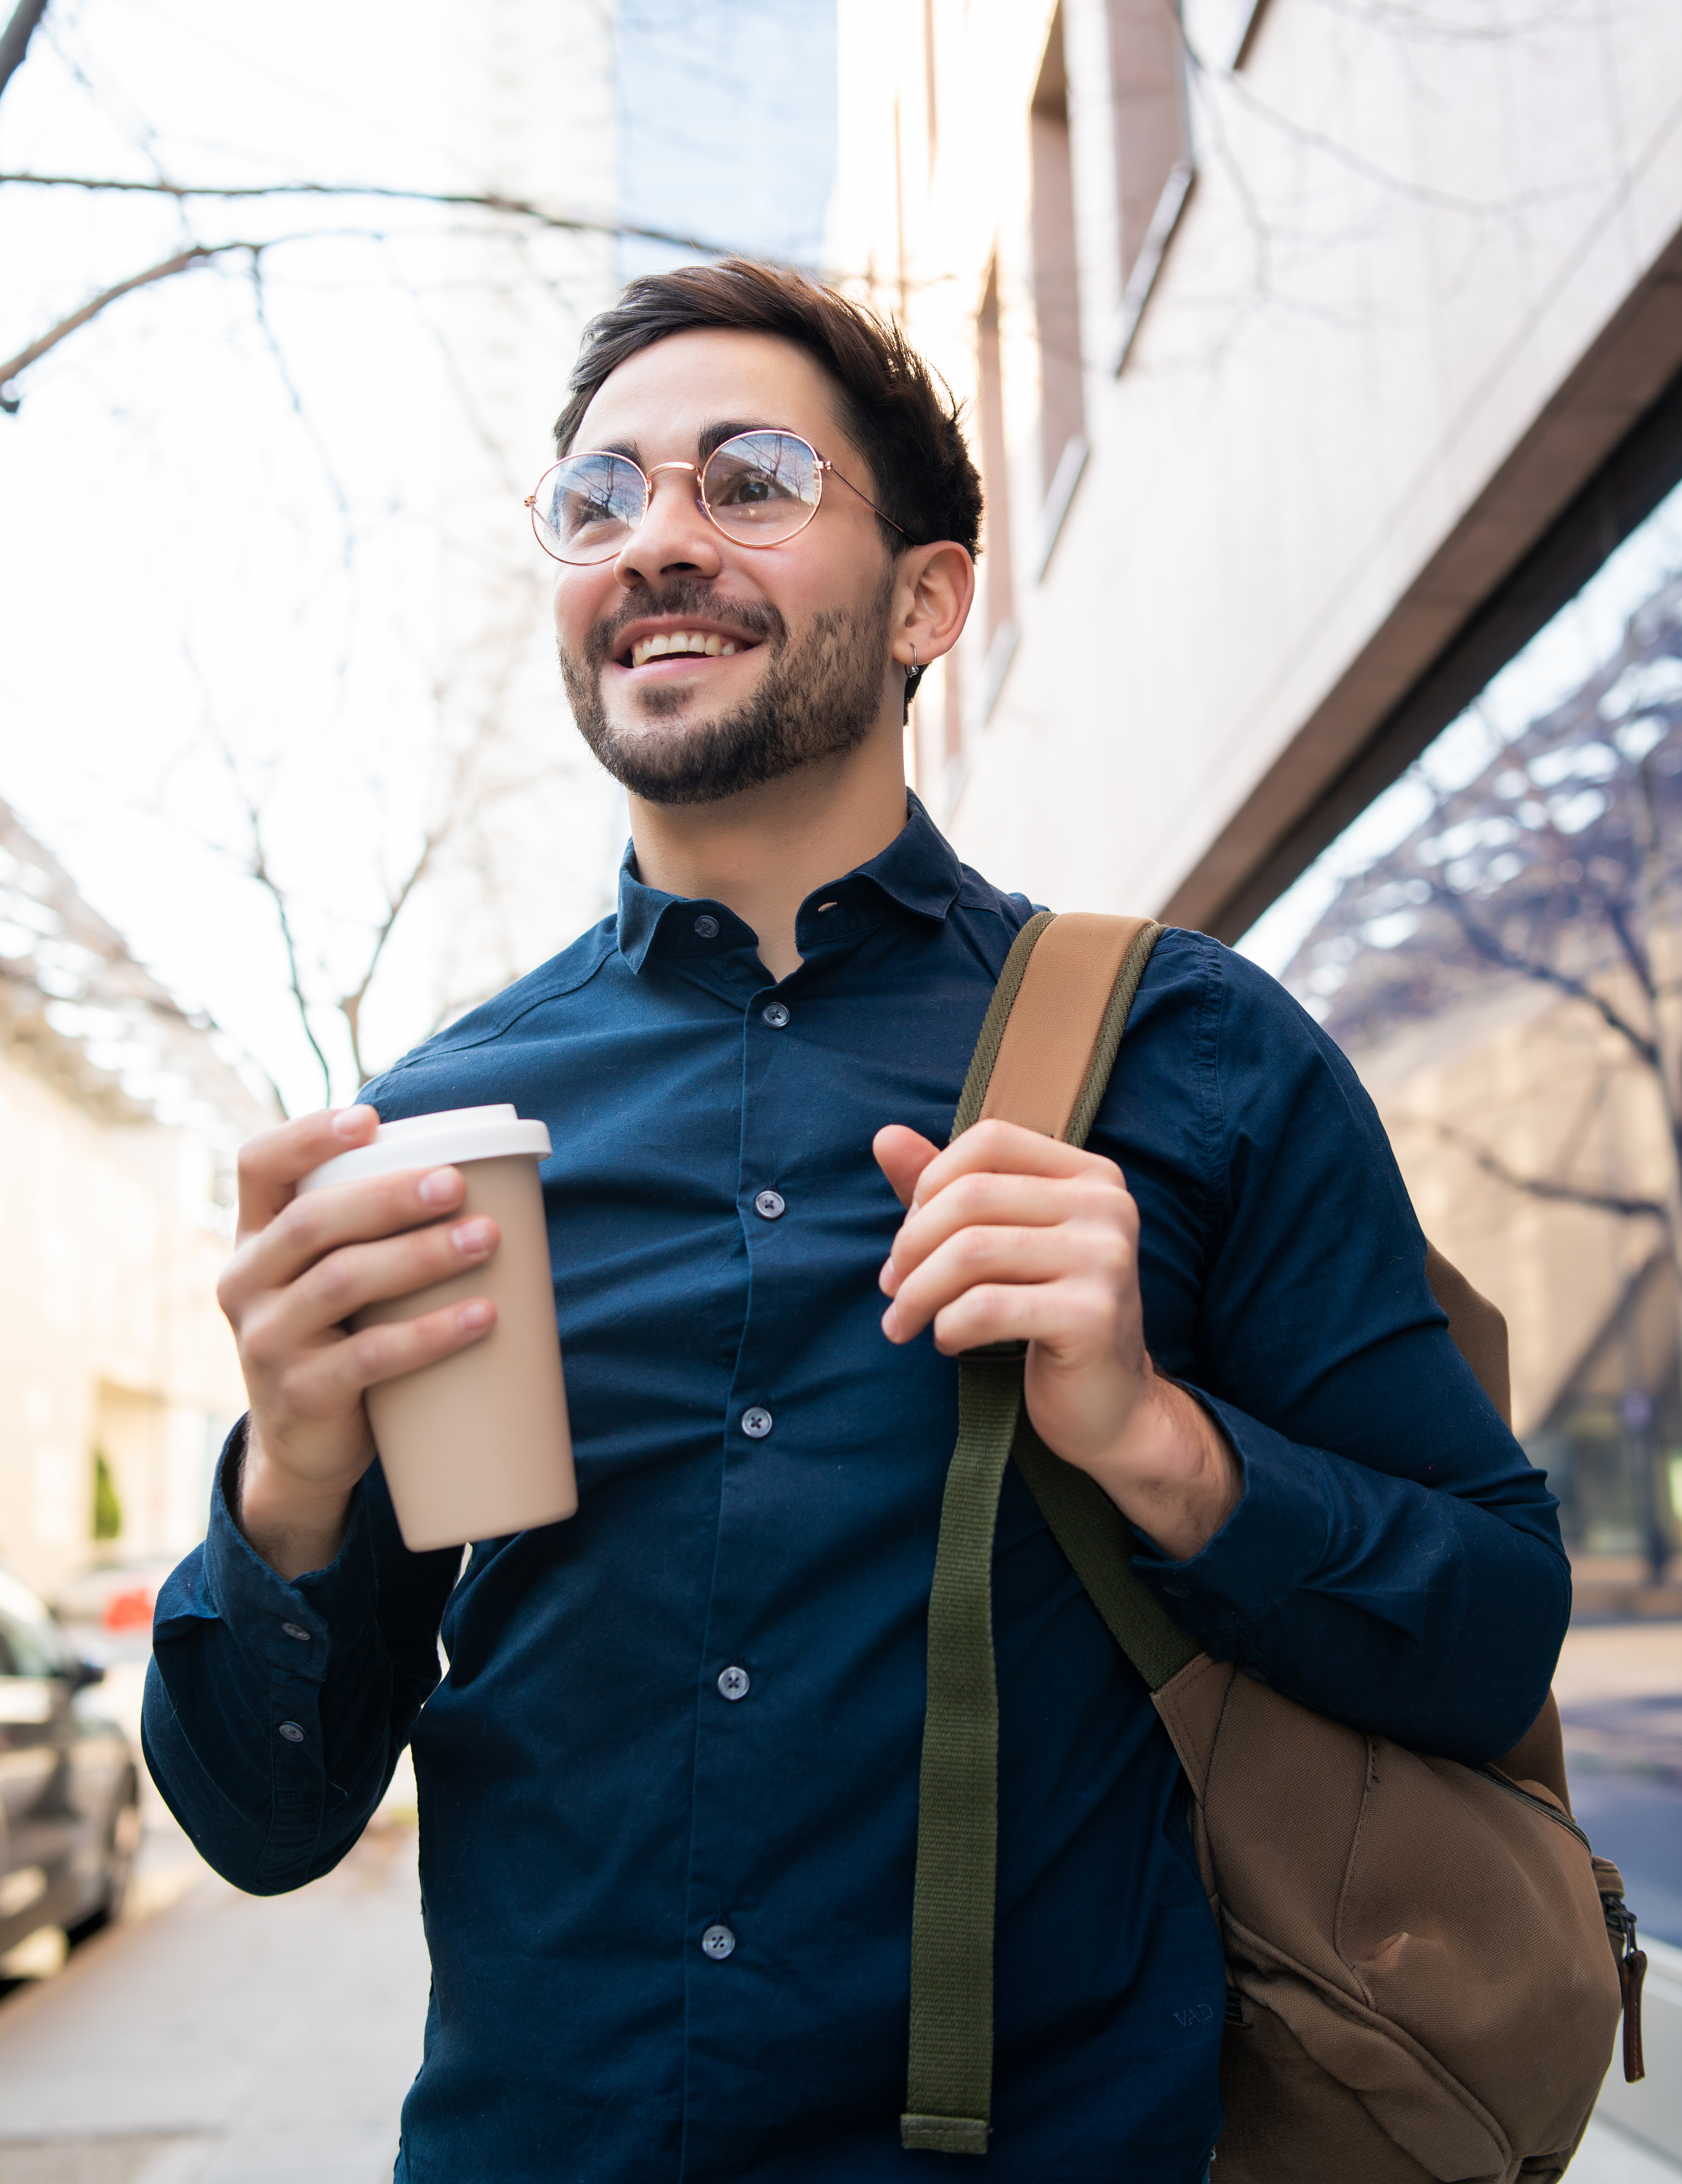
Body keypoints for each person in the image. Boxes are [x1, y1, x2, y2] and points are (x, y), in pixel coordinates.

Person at [144, 261, 1568, 2183]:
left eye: (747, 481)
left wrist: (1162, 1448)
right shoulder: (433, 1133)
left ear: (926, 599)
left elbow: (1492, 1630)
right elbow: (264, 1824)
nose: (656, 540)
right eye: (599, 499)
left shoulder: (1192, 1052)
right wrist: (291, 1492)